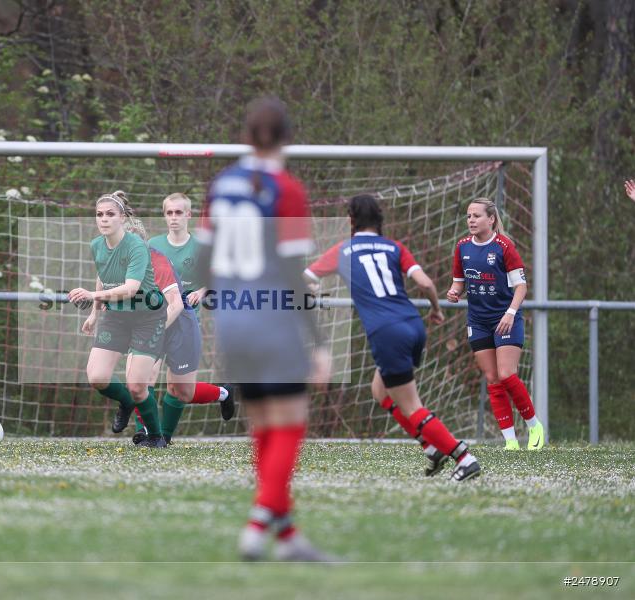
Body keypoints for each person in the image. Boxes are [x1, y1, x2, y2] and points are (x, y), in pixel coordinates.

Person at [197, 96, 332, 561]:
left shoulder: (221, 183)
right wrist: (318, 343)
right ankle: (257, 526)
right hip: (272, 316)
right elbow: (295, 272)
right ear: (288, 138)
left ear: (244, 137)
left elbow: (203, 261)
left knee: (263, 426)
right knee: (291, 421)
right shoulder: (286, 189)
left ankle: (288, 538)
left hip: (232, 319)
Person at [304, 195, 481, 481]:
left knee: (411, 405)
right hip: (413, 326)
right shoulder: (394, 247)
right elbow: (424, 283)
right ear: (379, 220)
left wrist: (311, 292)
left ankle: (463, 456)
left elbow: (305, 277)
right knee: (380, 391)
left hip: (386, 333)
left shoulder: (342, 250)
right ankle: (430, 449)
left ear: (351, 220)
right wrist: (436, 310)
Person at [131, 193, 235, 445]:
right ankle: (146, 434)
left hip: (185, 321)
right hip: (155, 319)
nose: (174, 218)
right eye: (169, 213)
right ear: (164, 215)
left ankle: (222, 393)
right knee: (142, 377)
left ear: (189, 215)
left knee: (179, 390)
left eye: (179, 212)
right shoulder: (153, 245)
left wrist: (202, 291)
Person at [68, 190, 168, 448]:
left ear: (122, 218)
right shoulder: (96, 245)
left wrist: (91, 295)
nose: (104, 219)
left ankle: (156, 437)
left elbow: (131, 289)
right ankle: (125, 401)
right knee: (97, 377)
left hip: (147, 317)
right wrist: (94, 313)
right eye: (99, 214)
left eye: (110, 214)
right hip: (116, 316)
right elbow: (104, 276)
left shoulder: (136, 245)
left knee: (137, 385)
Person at [447, 198, 544, 451]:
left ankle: (534, 426)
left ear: (491, 219)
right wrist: (454, 292)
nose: (471, 220)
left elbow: (521, 286)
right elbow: (459, 282)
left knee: (506, 374)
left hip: (505, 318)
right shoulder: (462, 248)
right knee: (492, 378)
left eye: (476, 216)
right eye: (468, 216)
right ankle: (510, 441)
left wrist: (511, 313)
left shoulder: (504, 246)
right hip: (478, 321)